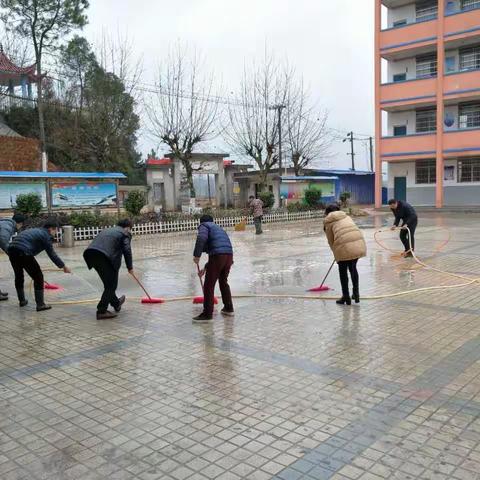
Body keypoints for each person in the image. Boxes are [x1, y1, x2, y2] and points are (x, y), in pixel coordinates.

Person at [8, 220, 71, 311]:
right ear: (50, 229)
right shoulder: (46, 236)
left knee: (19, 276)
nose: (56, 233)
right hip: (24, 251)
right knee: (38, 277)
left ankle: (22, 300)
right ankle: (40, 305)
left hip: (12, 250)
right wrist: (63, 266)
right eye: (56, 230)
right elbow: (52, 254)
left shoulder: (36, 231)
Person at [83, 219, 133, 320]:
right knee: (111, 286)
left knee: (108, 284)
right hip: (104, 257)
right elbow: (127, 250)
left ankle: (116, 303)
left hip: (90, 254)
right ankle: (101, 311)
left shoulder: (109, 230)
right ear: (127, 227)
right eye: (130, 228)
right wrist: (130, 267)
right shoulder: (124, 233)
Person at [193, 214, 234, 323]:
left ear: (201, 222)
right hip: (229, 255)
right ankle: (229, 308)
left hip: (218, 256)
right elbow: (219, 250)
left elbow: (201, 238)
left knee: (208, 285)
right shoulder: (218, 228)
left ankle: (207, 314)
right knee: (223, 282)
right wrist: (206, 268)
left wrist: (197, 255)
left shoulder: (204, 226)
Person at [324, 204, 367, 305]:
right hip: (358, 243)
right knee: (353, 268)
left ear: (327, 213)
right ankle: (356, 294)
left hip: (343, 245)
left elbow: (331, 240)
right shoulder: (346, 216)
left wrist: (336, 254)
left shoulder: (328, 222)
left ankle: (346, 297)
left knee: (343, 272)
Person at [0, 213, 26, 300]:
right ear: (20, 223)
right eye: (21, 225)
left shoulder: (6, 223)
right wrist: (12, 255)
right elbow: (3, 241)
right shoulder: (7, 226)